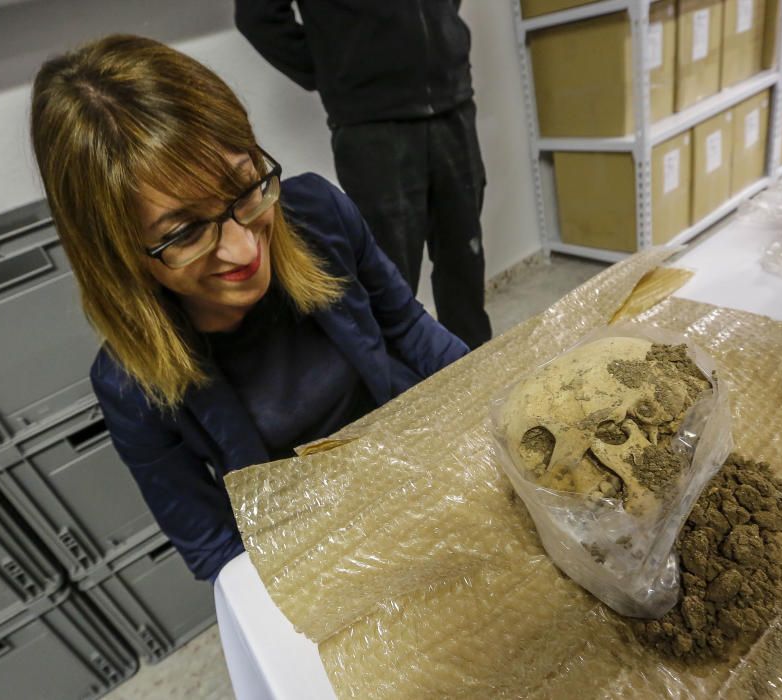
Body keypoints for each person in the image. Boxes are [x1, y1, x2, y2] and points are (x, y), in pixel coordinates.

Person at [30, 35, 468, 582]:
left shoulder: (317, 212)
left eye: (244, 186)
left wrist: (494, 405)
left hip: (414, 454)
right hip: (317, 545)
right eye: (185, 233)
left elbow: (408, 330)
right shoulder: (132, 385)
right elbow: (216, 550)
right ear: (117, 255)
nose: (244, 250)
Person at [234, 0, 493, 349]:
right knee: (389, 283)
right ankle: (401, 397)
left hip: (454, 104)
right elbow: (258, 17)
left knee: (465, 262)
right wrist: (335, 69)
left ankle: (479, 374)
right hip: (373, 125)